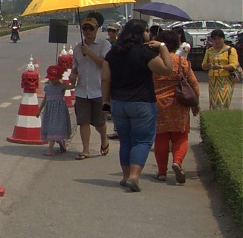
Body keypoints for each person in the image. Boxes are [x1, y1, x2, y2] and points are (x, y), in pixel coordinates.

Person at [101, 19, 173, 192]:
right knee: (141, 141)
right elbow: (167, 69)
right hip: (142, 103)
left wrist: (105, 102)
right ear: (140, 33)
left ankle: (125, 177)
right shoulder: (145, 52)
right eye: (147, 30)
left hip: (119, 103)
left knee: (125, 141)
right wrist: (162, 47)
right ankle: (134, 176)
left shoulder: (113, 53)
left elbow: (105, 79)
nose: (148, 34)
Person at [152, 30, 200, 184]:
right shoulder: (182, 62)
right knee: (180, 136)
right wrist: (195, 104)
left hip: (157, 103)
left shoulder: (153, 61)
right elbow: (194, 84)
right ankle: (177, 162)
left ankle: (161, 172)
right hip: (179, 104)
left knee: (161, 137)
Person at [70, 13, 112, 160]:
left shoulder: (104, 45)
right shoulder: (77, 49)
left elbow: (104, 64)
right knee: (83, 121)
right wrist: (72, 75)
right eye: (85, 28)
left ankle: (104, 138)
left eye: (91, 28)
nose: (88, 31)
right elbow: (75, 67)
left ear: (97, 29)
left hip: (99, 90)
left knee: (99, 123)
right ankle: (86, 149)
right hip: (82, 90)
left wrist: (89, 52)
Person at [36, 65, 72, 156]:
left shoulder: (62, 86)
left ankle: (51, 148)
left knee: (55, 127)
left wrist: (73, 78)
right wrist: (39, 110)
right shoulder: (47, 87)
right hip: (49, 110)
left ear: (60, 77)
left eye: (54, 78)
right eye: (51, 78)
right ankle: (59, 143)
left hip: (59, 110)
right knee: (51, 127)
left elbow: (72, 86)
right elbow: (45, 99)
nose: (52, 80)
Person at [201, 29, 239, 109]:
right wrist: (209, 65)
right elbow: (203, 66)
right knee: (214, 102)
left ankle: (223, 118)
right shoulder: (209, 51)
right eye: (214, 39)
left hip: (226, 79)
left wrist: (221, 67)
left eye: (219, 38)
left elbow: (233, 65)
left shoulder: (230, 50)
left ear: (223, 39)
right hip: (213, 80)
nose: (217, 41)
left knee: (223, 101)